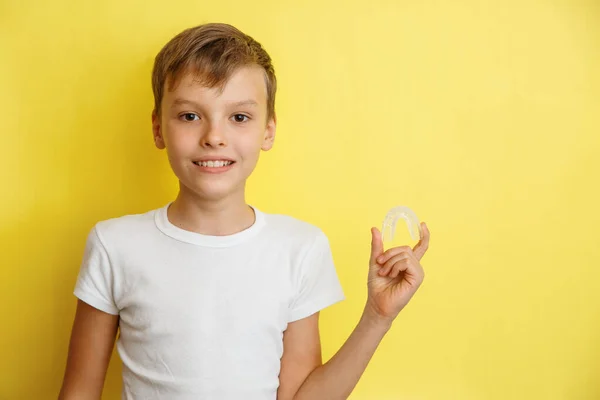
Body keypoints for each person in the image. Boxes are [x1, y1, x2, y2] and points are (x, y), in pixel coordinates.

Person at [58, 22, 431, 400]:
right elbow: (78, 393)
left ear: (268, 130)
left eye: (239, 117)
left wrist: (377, 317)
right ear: (158, 128)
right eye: (190, 116)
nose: (214, 136)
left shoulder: (300, 248)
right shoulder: (114, 245)